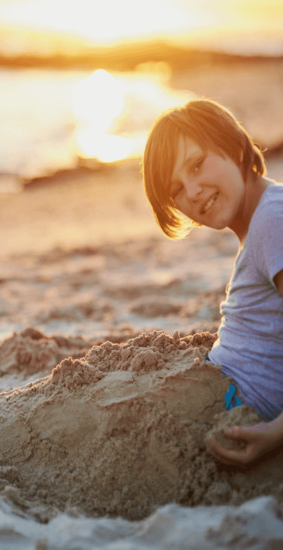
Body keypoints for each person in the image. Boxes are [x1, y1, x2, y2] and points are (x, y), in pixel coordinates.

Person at [142, 99, 283, 466]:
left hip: (240, 408)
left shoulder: (271, 221)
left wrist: (278, 432)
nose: (192, 191)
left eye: (197, 163)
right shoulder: (263, 219)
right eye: (176, 190)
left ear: (235, 147)